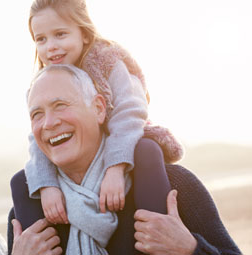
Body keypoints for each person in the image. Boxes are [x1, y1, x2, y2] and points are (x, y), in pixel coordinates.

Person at [8, 65, 241, 254]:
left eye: (60, 105)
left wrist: (190, 249)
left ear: (99, 108)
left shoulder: (174, 185)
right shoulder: (28, 214)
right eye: (37, 114)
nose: (48, 123)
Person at [21, 0, 183, 228]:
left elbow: (130, 111)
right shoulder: (45, 82)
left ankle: (155, 230)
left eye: (60, 34)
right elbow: (38, 137)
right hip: (81, 152)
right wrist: (47, 186)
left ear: (84, 34)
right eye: (41, 39)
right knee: (21, 181)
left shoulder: (108, 61)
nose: (51, 47)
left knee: (147, 150)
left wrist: (115, 168)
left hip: (125, 140)